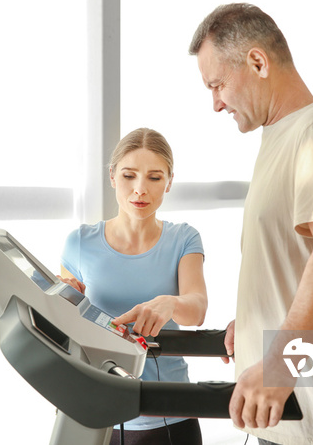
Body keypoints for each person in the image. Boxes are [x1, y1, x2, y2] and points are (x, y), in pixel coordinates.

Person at [188, 4, 313, 444]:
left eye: (217, 84)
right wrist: (256, 320)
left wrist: (278, 365)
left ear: (257, 61)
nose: (215, 103)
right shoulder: (278, 136)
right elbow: (291, 259)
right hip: (284, 417)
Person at [60, 127, 208, 445]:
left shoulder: (184, 238)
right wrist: (63, 302)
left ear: (169, 182)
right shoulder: (79, 244)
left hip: (172, 415)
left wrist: (170, 302)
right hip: (99, 417)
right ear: (113, 176)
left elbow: (196, 310)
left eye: (154, 178)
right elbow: (65, 334)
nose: (140, 189)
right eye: (129, 175)